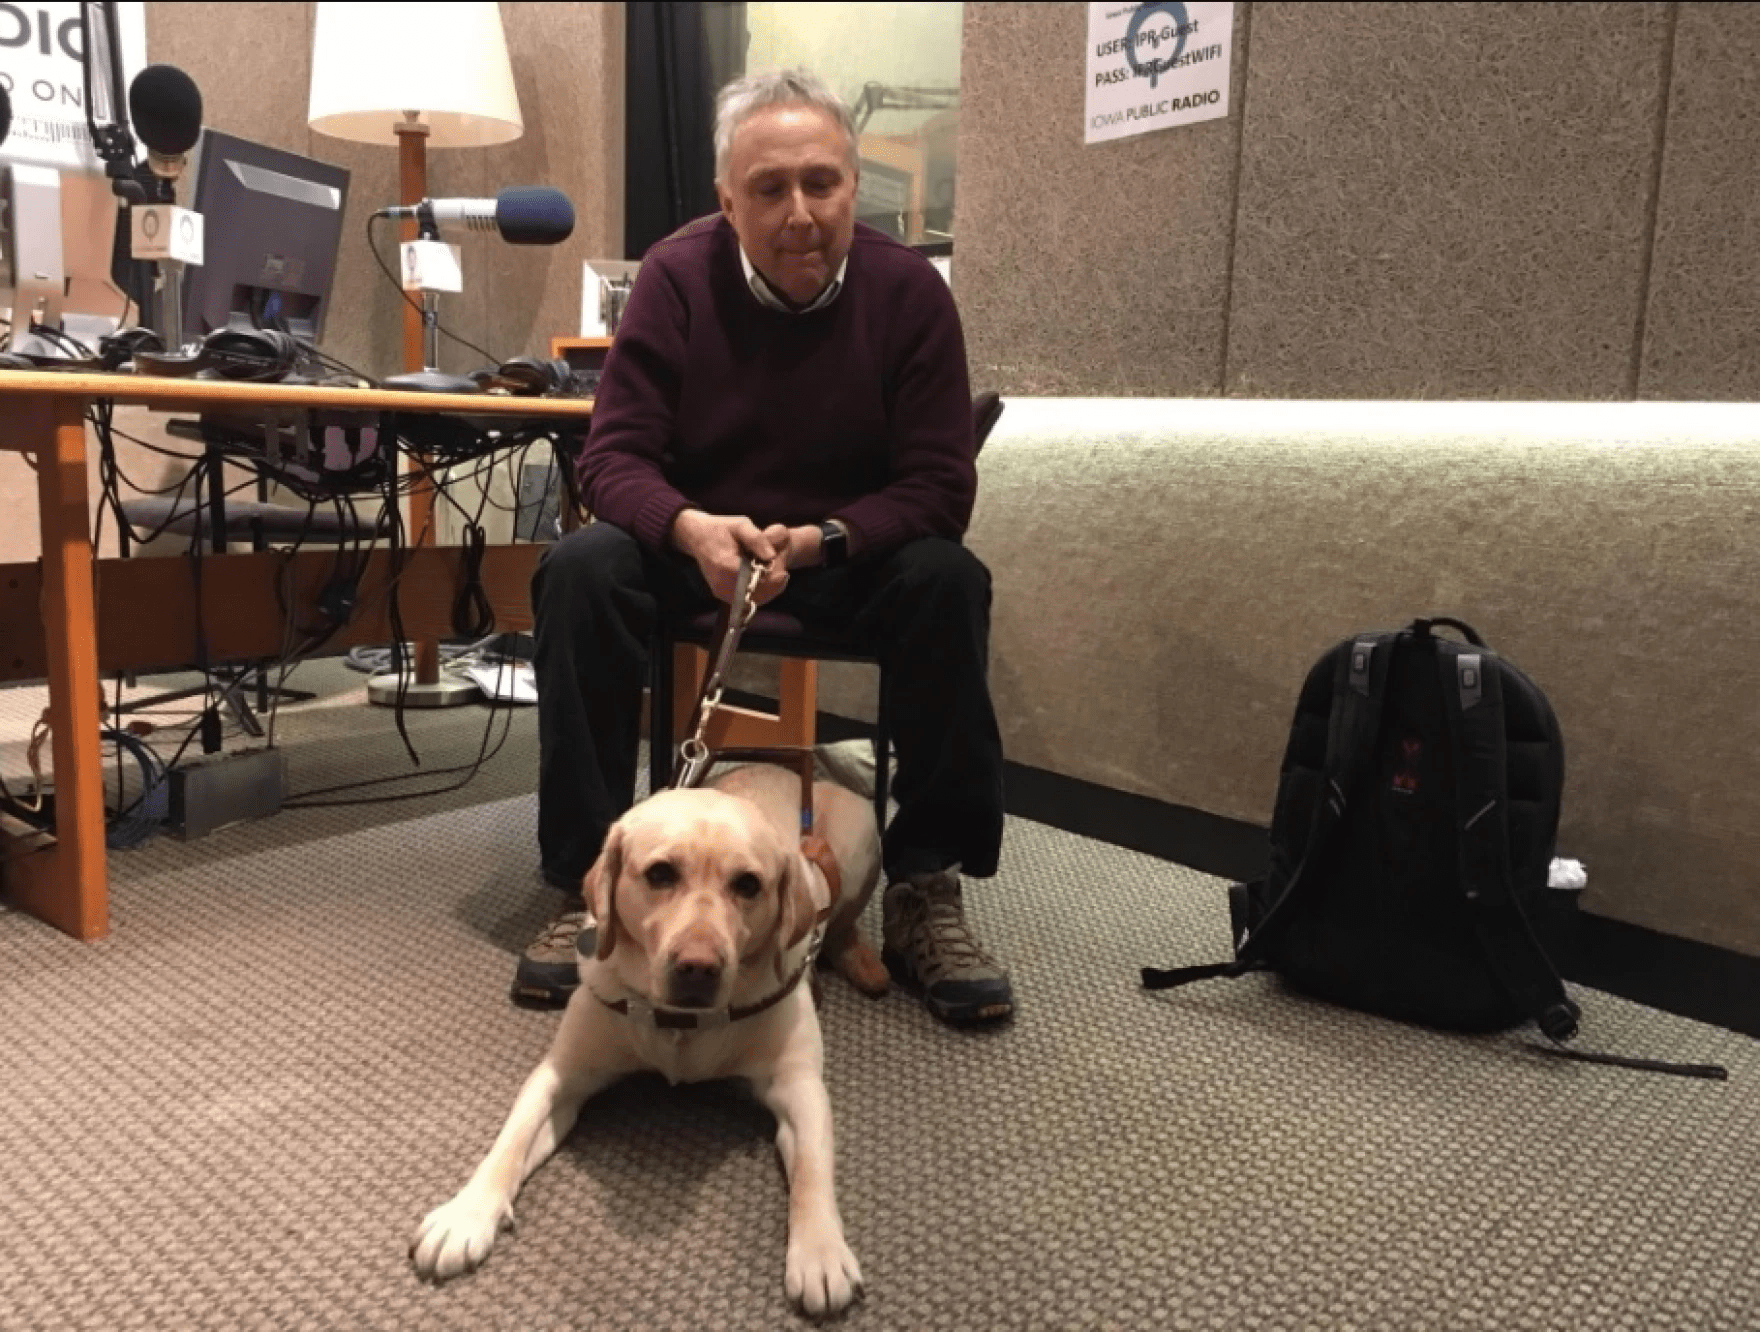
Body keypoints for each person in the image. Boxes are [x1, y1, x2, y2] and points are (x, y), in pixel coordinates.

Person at [516, 68, 1011, 1028]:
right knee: (580, 569)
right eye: (770, 189)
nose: (799, 215)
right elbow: (611, 460)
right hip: (699, 554)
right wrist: (691, 527)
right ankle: (582, 881)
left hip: (842, 564)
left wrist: (828, 539)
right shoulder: (674, 277)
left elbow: (941, 488)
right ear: (727, 201)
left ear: (853, 185)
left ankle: (923, 886)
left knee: (949, 580)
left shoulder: (909, 294)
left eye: (821, 184)